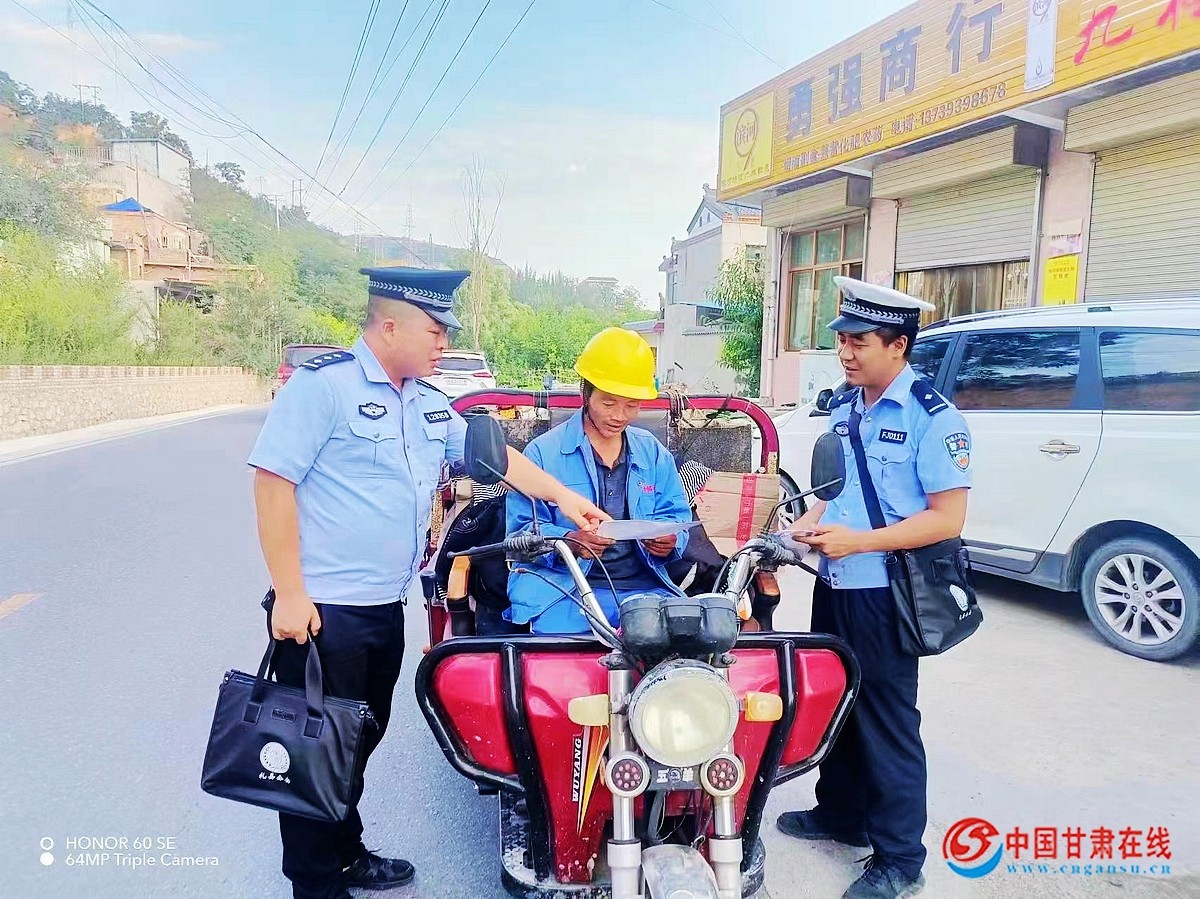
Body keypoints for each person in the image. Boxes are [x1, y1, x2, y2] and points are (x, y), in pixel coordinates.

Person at [247, 266, 606, 899]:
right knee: (316, 748)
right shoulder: (322, 388)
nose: (445, 343)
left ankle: (345, 852)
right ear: (390, 327)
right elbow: (272, 483)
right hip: (324, 610)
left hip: (385, 606)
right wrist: (291, 592)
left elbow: (493, 457)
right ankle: (314, 883)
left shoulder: (425, 400)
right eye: (436, 331)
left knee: (359, 736)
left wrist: (564, 498)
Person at [776, 278, 972, 899]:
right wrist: (800, 528)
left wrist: (858, 543)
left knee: (887, 721)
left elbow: (946, 519)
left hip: (887, 592)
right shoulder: (846, 407)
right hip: (835, 581)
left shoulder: (932, 419)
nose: (845, 353)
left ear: (898, 345)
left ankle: (899, 859)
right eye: (842, 341)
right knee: (835, 702)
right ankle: (841, 812)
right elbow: (838, 493)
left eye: (859, 342)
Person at [506, 327, 694, 634]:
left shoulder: (652, 452)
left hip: (643, 591)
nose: (619, 415)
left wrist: (670, 541)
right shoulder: (542, 454)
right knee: (562, 660)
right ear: (586, 392)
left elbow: (676, 517)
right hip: (562, 593)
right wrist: (569, 542)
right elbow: (519, 535)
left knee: (685, 647)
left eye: (631, 405)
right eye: (608, 403)